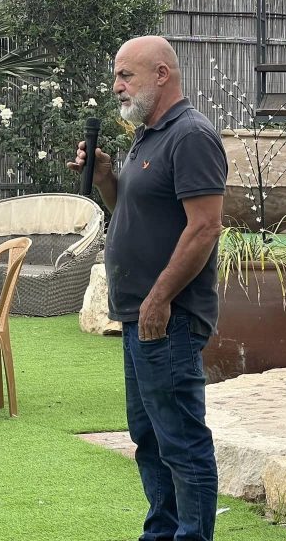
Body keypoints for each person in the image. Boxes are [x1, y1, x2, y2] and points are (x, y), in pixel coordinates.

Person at [68, 35, 227, 541]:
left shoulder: (190, 135)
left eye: (126, 75)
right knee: (149, 437)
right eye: (116, 76)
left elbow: (205, 227)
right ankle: (161, 532)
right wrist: (105, 179)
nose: (117, 86)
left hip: (169, 318)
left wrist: (160, 298)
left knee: (180, 439)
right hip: (140, 314)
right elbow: (133, 214)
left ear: (162, 74)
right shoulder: (148, 136)